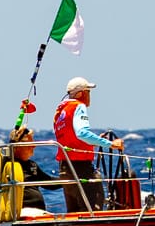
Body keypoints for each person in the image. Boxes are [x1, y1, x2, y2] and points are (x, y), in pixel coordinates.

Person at [51, 77, 121, 213]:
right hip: (80, 167)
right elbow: (82, 133)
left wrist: (96, 140)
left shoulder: (60, 111)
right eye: (88, 92)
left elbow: (69, 137)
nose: (90, 96)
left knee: (74, 212)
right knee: (93, 208)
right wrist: (110, 144)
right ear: (80, 94)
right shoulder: (78, 106)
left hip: (65, 168)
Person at [0, 126, 55, 216]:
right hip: (21, 213)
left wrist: (64, 178)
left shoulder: (32, 165)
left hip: (40, 212)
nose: (34, 146)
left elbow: (49, 182)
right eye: (30, 143)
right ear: (18, 146)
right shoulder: (6, 163)